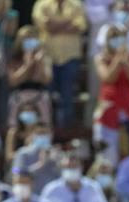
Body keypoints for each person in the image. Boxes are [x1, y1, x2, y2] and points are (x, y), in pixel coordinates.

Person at [93, 23, 129, 166]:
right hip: (107, 112)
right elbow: (108, 78)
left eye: (120, 37)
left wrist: (126, 62)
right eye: (113, 38)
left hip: (128, 110)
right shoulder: (101, 58)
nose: (117, 41)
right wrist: (117, 60)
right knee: (106, 158)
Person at [32, 0, 86, 128]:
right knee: (47, 96)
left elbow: (80, 26)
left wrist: (54, 23)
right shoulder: (41, 4)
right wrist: (68, 21)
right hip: (48, 57)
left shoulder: (77, 4)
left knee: (67, 96)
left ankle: (65, 131)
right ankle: (45, 128)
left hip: (70, 56)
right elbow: (45, 26)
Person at [6, 26, 53, 130]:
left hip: (39, 94)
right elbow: (13, 81)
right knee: (13, 126)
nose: (29, 41)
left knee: (45, 119)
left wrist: (39, 63)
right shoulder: (14, 59)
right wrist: (27, 66)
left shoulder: (44, 58)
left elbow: (46, 80)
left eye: (32, 38)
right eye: (26, 38)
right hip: (19, 95)